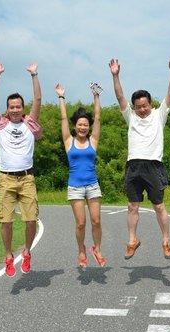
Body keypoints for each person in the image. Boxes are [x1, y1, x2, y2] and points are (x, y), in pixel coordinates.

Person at [109, 56, 170, 260]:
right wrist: (115, 76)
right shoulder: (130, 117)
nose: (142, 109)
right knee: (132, 205)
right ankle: (132, 240)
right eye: (138, 106)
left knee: (159, 206)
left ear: (150, 103)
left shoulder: (159, 115)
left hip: (154, 166)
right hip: (133, 166)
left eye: (145, 105)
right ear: (134, 107)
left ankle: (166, 241)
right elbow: (120, 97)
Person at [0, 61, 42, 277]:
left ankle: (27, 252)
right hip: (6, 180)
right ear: (8, 109)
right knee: (6, 221)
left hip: (27, 178)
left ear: (22, 108)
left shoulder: (30, 123)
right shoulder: (1, 125)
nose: (16, 109)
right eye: (12, 107)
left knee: (31, 221)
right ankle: (9, 256)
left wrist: (34, 75)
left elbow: (38, 99)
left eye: (19, 106)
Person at [55, 82, 106, 268]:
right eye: (80, 124)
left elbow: (98, 118)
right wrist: (61, 97)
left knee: (96, 221)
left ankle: (97, 249)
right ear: (75, 126)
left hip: (92, 185)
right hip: (75, 187)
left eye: (86, 124)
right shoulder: (69, 141)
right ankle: (81, 250)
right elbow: (62, 119)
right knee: (81, 224)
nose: (83, 127)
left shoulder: (93, 140)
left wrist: (96, 97)